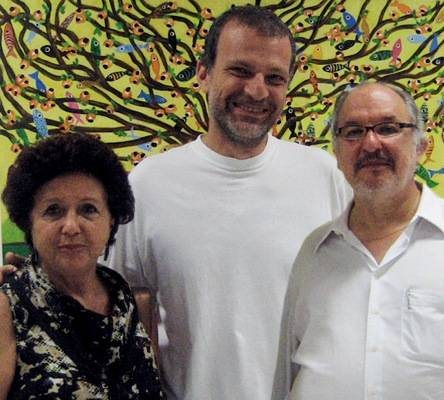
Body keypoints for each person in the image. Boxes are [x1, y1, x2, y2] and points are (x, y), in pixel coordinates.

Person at [105, 6, 350, 400]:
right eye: (240, 70)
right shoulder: (148, 185)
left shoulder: (328, 177)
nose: (256, 90)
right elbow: (102, 301)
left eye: (274, 78)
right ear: (204, 73)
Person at [272, 81, 444, 400]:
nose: (370, 144)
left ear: (421, 146)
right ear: (337, 153)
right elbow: (286, 375)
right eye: (352, 132)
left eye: (388, 128)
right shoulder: (314, 252)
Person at [0, 133, 164, 399]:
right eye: (53, 210)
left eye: (88, 209)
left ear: (111, 219)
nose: (71, 226)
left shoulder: (124, 299)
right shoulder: (10, 308)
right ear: (28, 222)